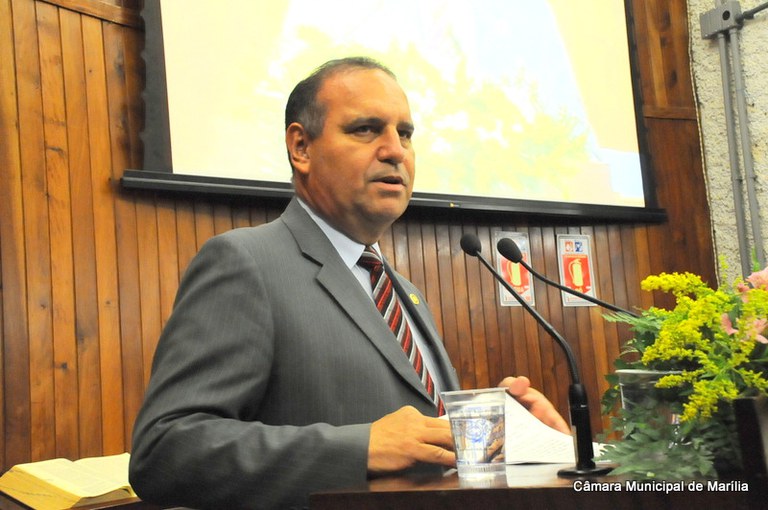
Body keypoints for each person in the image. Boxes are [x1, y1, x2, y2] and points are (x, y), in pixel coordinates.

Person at [129, 57, 569, 510]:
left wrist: (508, 436)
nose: (395, 151)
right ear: (301, 147)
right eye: (365, 129)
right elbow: (164, 451)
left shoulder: (405, 292)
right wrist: (360, 449)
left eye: (405, 134)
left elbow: (422, 447)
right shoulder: (247, 263)